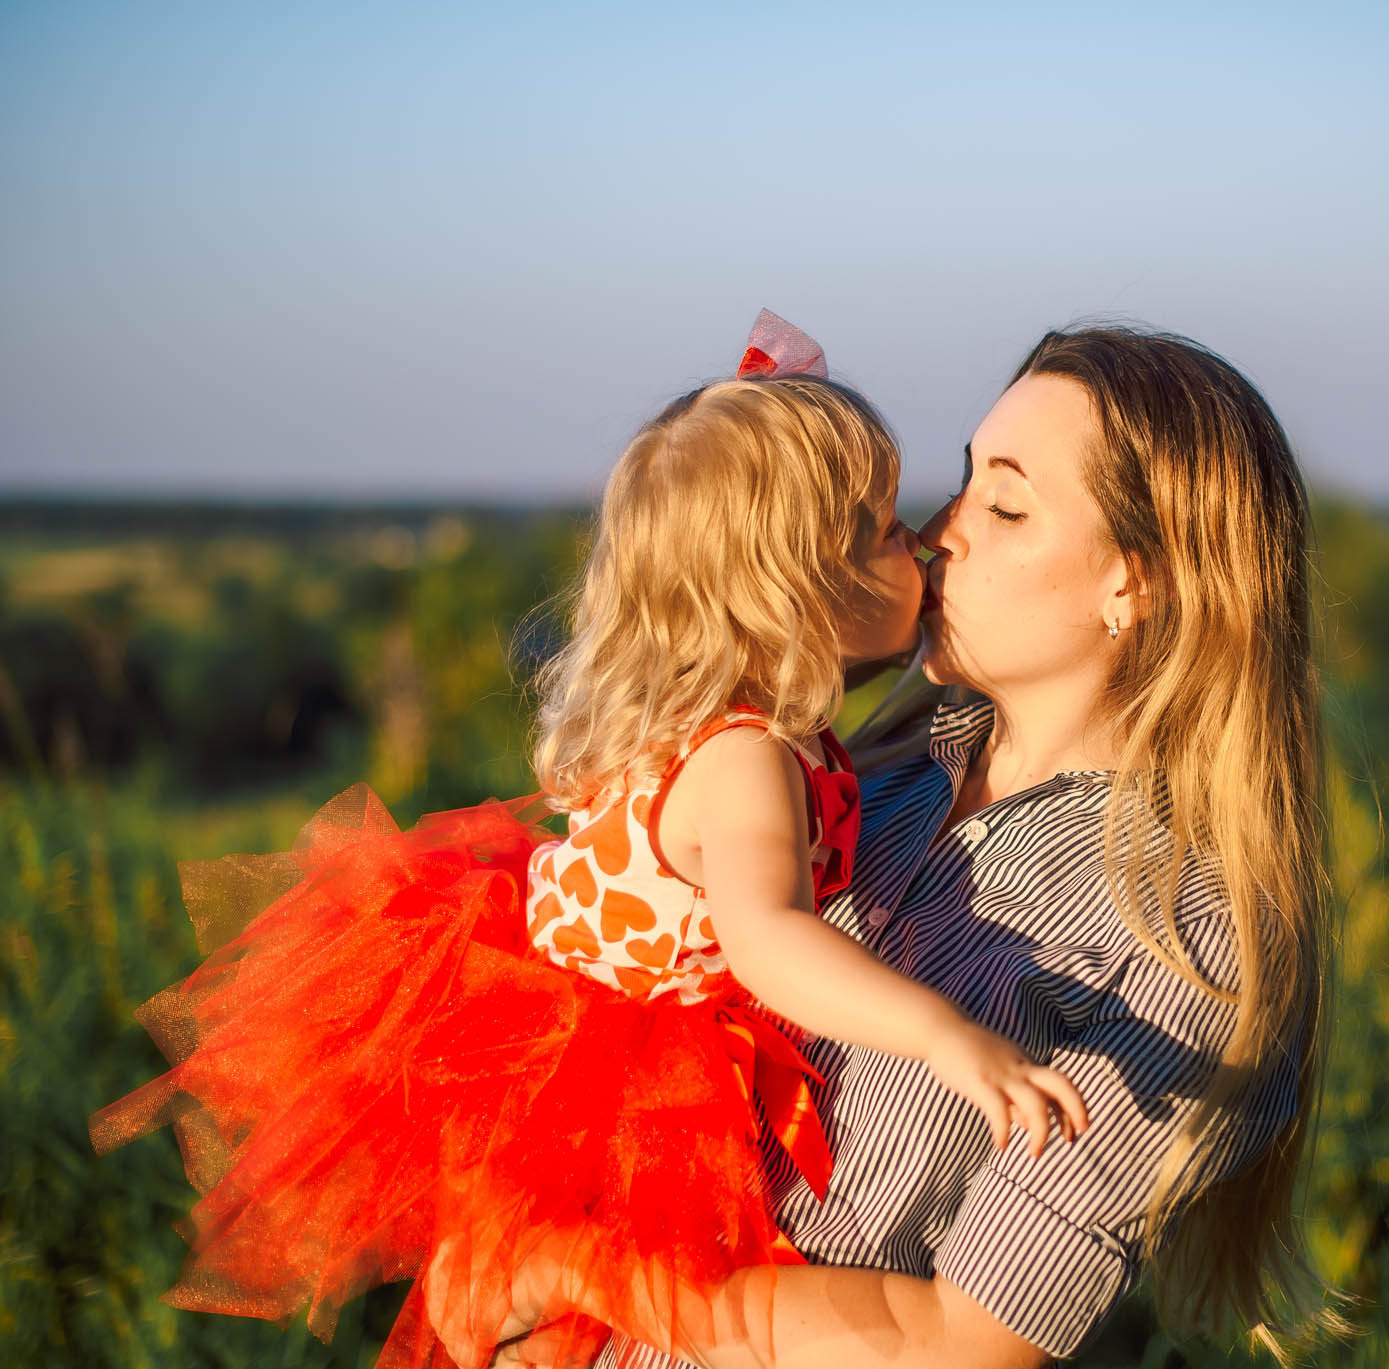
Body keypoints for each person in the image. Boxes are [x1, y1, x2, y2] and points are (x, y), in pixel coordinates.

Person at [88, 311, 1088, 1369]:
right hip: (614, 1071)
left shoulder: (712, 717)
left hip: (553, 1031)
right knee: (598, 1304)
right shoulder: (743, 758)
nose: (923, 540)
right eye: (884, 532)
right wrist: (942, 1034)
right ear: (799, 586)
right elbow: (769, 939)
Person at [569, 324, 1336, 1369]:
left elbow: (954, 1347)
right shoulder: (840, 775)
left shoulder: (1188, 936)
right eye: (965, 481)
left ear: (1134, 582)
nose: (937, 532)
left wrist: (583, 1279)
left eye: (1005, 504)